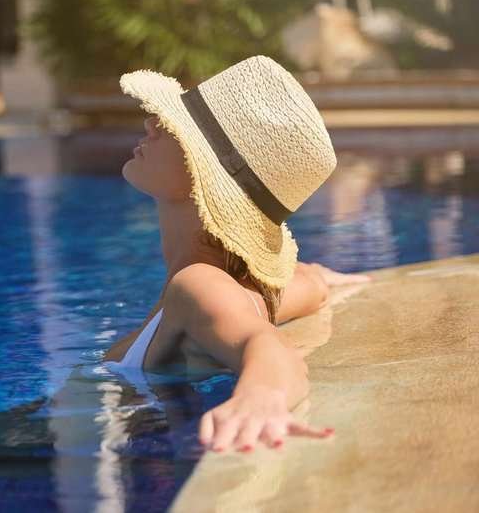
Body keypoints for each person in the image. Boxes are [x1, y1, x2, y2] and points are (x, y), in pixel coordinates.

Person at [101, 55, 371, 454]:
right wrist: (317, 278)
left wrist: (260, 396)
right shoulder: (251, 290)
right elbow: (304, 288)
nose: (151, 124)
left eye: (175, 128)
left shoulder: (197, 283)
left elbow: (264, 344)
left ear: (201, 174)